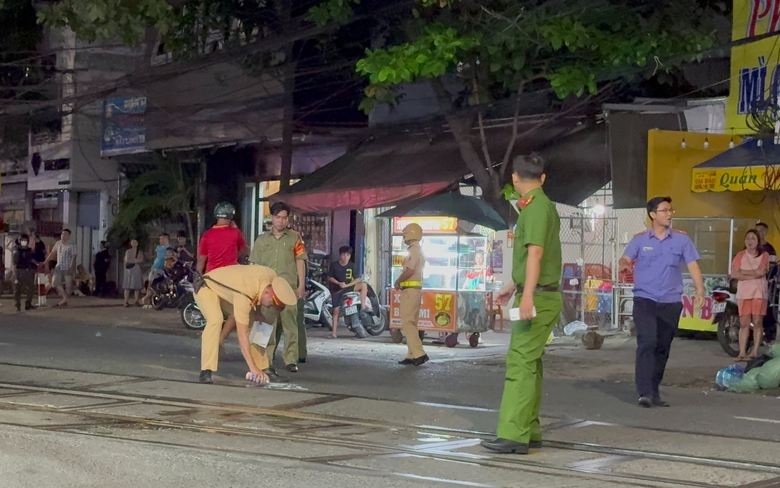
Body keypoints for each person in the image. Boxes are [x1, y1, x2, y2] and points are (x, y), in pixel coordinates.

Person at [481, 155, 562, 455]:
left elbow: (537, 254)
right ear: (542, 178)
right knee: (531, 363)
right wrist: (513, 286)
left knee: (520, 362)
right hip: (539, 291)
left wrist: (526, 296)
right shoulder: (539, 206)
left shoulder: (536, 208)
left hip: (539, 295)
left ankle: (514, 435)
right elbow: (533, 258)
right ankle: (529, 429)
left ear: (514, 179)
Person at [618, 196, 704, 409]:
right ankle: (644, 392)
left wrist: (700, 290)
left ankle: (654, 390)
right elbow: (626, 258)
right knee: (647, 342)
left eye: (670, 210)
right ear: (653, 214)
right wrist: (624, 265)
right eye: (664, 210)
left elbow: (693, 265)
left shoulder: (682, 240)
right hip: (645, 299)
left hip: (671, 301)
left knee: (662, 347)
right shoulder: (640, 240)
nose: (669, 213)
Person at [196, 264, 297, 385]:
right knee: (215, 320)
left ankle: (264, 367)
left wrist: (258, 313)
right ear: (267, 292)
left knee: (256, 323)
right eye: (271, 303)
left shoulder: (271, 276)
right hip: (206, 286)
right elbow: (242, 335)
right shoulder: (244, 295)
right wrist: (252, 368)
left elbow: (257, 293)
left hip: (228, 290)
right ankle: (206, 370)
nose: (271, 307)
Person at [248, 202, 307, 374]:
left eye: (284, 218)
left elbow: (300, 261)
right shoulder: (261, 240)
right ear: (271, 218)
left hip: (289, 289)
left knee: (290, 325)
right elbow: (254, 265)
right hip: (267, 291)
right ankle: (263, 359)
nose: (281, 221)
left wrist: (301, 285)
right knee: (265, 325)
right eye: (277, 217)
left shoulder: (295, 239)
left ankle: (290, 359)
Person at [197, 202, 249, 356]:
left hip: (211, 280)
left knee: (214, 317)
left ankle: (212, 345)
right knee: (238, 312)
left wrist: (199, 279)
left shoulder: (206, 235)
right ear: (231, 216)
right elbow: (245, 251)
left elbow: (200, 263)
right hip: (231, 280)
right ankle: (220, 339)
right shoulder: (235, 233)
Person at [393, 223, 429, 367]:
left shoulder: (413, 250)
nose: (404, 236)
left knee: (407, 322)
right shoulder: (418, 250)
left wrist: (398, 281)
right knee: (412, 323)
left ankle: (419, 354)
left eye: (405, 233)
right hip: (414, 290)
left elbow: (409, 270)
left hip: (410, 291)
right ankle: (412, 354)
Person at [731, 229, 770, 361]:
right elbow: (735, 274)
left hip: (759, 292)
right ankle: (742, 352)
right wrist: (753, 273)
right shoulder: (740, 255)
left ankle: (754, 351)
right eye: (748, 238)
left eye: (753, 238)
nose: (750, 241)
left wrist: (744, 272)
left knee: (757, 321)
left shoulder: (764, 255)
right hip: (744, 293)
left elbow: (762, 272)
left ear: (758, 241)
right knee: (744, 323)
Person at [328, 245, 368, 339]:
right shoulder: (334, 265)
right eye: (344, 255)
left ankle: (363, 307)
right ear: (340, 255)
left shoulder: (352, 265)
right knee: (336, 311)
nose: (345, 257)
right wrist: (338, 283)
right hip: (337, 290)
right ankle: (334, 333)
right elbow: (330, 277)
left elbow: (357, 279)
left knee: (363, 285)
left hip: (348, 287)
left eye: (348, 255)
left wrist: (347, 285)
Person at [755, 222, 777, 343]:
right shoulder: (749, 247)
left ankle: (768, 334)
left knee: (767, 309)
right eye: (756, 230)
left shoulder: (770, 249)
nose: (759, 233)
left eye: (761, 230)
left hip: (766, 283)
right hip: (750, 284)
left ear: (766, 232)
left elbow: (773, 268)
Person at [45, 229, 77, 307]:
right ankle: (65, 298)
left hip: (67, 267)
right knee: (54, 282)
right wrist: (45, 262)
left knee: (68, 284)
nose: (63, 235)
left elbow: (74, 257)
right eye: (62, 234)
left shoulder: (72, 244)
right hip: (59, 266)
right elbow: (52, 253)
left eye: (65, 234)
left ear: (69, 236)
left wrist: (72, 267)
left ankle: (65, 300)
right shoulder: (58, 243)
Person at [142, 233, 171, 309]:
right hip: (155, 268)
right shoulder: (158, 248)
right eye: (160, 239)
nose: (160, 241)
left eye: (162, 239)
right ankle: (147, 302)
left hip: (162, 269)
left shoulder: (170, 248)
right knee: (150, 284)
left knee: (155, 285)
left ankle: (146, 299)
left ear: (166, 239)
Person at [12, 234, 37, 312]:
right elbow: (14, 264)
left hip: (28, 271)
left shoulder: (29, 250)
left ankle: (28, 304)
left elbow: (31, 259)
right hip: (20, 271)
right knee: (17, 289)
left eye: (25, 240)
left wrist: (38, 264)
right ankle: (17, 305)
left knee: (31, 288)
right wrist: (15, 275)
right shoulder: (17, 250)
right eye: (22, 240)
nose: (24, 242)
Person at [123, 239, 144, 307]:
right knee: (127, 286)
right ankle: (126, 301)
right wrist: (135, 260)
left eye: (135, 242)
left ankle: (136, 301)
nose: (134, 244)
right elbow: (127, 260)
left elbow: (141, 260)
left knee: (137, 286)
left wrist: (134, 260)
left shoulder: (140, 252)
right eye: (133, 242)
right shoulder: (128, 251)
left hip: (137, 269)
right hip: (129, 270)